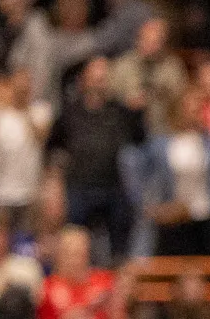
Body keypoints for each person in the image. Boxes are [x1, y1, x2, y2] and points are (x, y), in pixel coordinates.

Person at [49, 56, 144, 257]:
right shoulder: (70, 112)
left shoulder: (119, 111)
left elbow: (138, 140)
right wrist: (56, 180)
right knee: (76, 237)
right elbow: (53, 147)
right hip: (79, 185)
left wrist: (137, 114)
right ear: (84, 79)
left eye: (104, 76)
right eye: (96, 76)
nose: (100, 81)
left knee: (121, 237)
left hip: (112, 185)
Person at [137, 87, 210, 257]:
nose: (196, 114)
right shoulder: (161, 144)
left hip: (205, 214)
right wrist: (156, 208)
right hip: (173, 217)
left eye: (199, 109)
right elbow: (146, 176)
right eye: (191, 109)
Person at [0, 68, 54, 220]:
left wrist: (25, 109)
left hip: (29, 191)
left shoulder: (40, 110)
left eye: (26, 85)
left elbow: (41, 137)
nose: (21, 89)